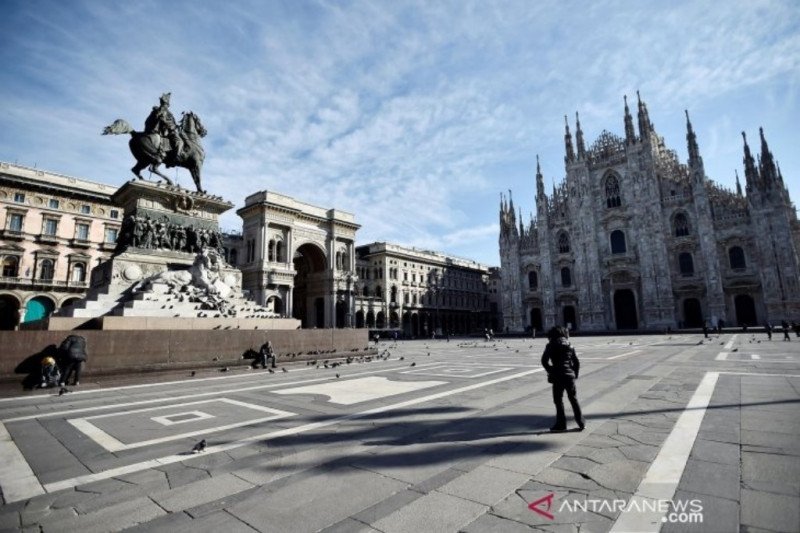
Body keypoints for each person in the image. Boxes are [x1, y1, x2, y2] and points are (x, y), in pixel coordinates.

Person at [541, 326, 584, 432]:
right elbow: (576, 362)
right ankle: (581, 423)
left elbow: (544, 361)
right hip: (569, 376)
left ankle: (561, 425)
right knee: (573, 399)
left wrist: (551, 371)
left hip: (557, 376)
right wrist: (575, 374)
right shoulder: (570, 345)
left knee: (558, 401)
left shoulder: (550, 345)